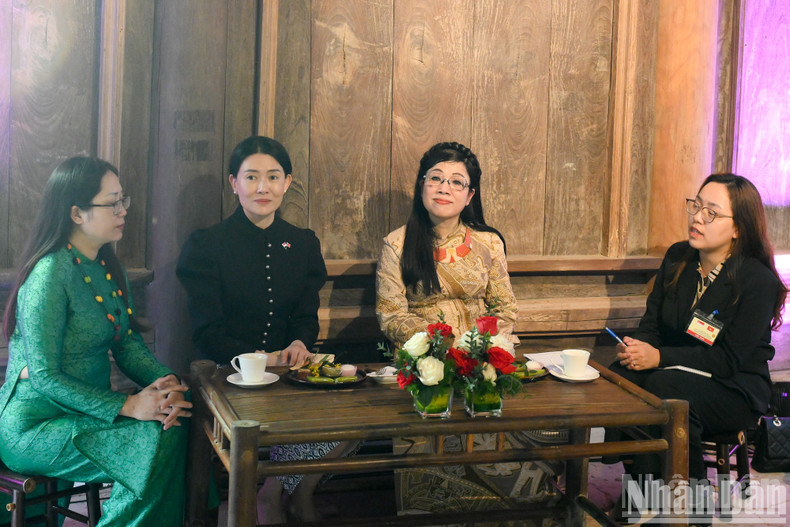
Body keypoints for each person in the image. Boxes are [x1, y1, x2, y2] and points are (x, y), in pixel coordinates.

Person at [0, 157, 192, 526]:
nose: (122, 211)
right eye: (112, 202)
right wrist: (129, 404)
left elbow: (126, 344)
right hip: (36, 425)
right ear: (76, 213)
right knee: (153, 441)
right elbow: (43, 377)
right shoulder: (49, 274)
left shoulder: (106, 266)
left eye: (124, 200)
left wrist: (168, 382)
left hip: (85, 415)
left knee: (174, 421)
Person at [177, 135, 353, 523]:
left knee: (349, 416)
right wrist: (263, 358)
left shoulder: (302, 243)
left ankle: (280, 493)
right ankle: (281, 499)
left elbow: (306, 316)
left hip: (291, 373)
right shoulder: (206, 246)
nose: (263, 187)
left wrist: (297, 343)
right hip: (230, 377)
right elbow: (208, 331)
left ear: (287, 183)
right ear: (233, 183)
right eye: (252, 177)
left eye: (273, 177)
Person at [376, 142, 558, 514]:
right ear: (421, 185)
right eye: (436, 178)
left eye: (457, 182)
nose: (445, 188)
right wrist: (438, 345)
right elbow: (391, 315)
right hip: (425, 363)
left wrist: (477, 346)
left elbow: (505, 308)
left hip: (482, 359)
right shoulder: (396, 244)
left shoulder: (489, 243)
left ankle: (522, 512)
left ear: (470, 194)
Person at [609, 174, 786, 519]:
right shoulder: (679, 258)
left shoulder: (756, 281)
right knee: (621, 378)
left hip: (734, 387)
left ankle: (690, 511)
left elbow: (728, 359)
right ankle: (643, 495)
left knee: (665, 387)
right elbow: (653, 324)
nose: (697, 218)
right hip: (676, 372)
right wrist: (638, 349)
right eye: (696, 206)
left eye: (711, 213)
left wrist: (659, 358)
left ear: (738, 228)